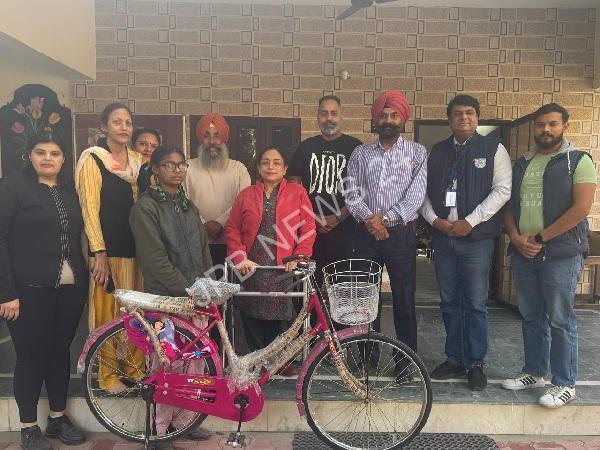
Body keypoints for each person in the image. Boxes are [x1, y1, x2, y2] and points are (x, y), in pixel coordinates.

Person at [502, 103, 596, 408]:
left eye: (553, 124)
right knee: (531, 316)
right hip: (524, 252)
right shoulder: (522, 163)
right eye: (541, 124)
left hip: (560, 253)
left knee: (560, 319)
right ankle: (534, 371)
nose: (546, 130)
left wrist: (541, 238)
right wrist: (516, 238)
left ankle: (564, 382)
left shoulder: (578, 161)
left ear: (564, 126)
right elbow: (509, 207)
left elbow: (580, 209)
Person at [0, 132, 87, 450]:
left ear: (63, 159)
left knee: (59, 351)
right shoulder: (12, 188)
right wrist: (6, 292)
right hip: (27, 289)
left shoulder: (68, 192)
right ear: (30, 156)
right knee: (31, 355)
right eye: (41, 152)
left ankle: (58, 418)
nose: (48, 158)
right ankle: (27, 427)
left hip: (69, 289)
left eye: (55, 153)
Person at [420, 94, 512, 391]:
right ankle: (455, 358)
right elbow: (421, 193)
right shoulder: (437, 152)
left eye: (470, 113)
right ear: (450, 119)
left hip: (476, 240)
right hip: (444, 237)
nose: (464, 118)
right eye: (457, 113)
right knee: (449, 302)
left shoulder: (493, 148)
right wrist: (435, 220)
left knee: (474, 303)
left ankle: (475, 363)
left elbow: (502, 191)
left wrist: (469, 222)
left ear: (477, 118)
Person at [129, 145, 213, 445]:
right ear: (155, 169)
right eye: (169, 165)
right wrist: (189, 290)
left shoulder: (189, 206)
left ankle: (185, 422)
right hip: (166, 299)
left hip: (195, 299)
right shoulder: (146, 208)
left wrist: (206, 286)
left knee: (196, 362)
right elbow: (155, 260)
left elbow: (203, 253)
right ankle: (160, 430)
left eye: (181, 165)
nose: (177, 171)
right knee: (168, 366)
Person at [345, 90, 427, 355]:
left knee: (404, 299)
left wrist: (386, 219)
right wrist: (372, 221)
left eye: (394, 115)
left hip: (401, 234)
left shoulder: (417, 152)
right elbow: (351, 192)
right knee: (367, 300)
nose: (389, 120)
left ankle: (405, 360)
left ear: (402, 120)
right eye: (383, 115)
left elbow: (416, 195)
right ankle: (369, 356)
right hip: (366, 235)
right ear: (375, 120)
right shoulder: (360, 153)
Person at [75, 102, 144, 394]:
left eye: (128, 122)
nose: (123, 127)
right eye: (117, 122)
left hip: (136, 251)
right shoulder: (93, 160)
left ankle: (134, 370)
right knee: (108, 314)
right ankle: (108, 375)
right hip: (108, 251)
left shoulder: (138, 162)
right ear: (104, 127)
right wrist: (98, 253)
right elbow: (89, 209)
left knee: (136, 313)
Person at [225, 146, 316, 354]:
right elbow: (232, 229)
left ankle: (279, 363)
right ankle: (256, 361)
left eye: (276, 162)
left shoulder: (297, 192)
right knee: (251, 310)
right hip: (252, 266)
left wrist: (299, 256)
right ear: (258, 168)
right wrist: (240, 258)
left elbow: (309, 227)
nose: (271, 166)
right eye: (265, 162)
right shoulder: (246, 195)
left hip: (283, 267)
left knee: (282, 314)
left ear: (285, 169)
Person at [288, 95, 362, 287]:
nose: (329, 118)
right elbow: (294, 187)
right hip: (310, 232)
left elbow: (363, 189)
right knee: (310, 288)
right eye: (324, 113)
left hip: (346, 232)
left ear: (341, 116)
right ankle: (311, 319)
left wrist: (338, 217)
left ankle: (335, 319)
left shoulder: (356, 148)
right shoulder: (305, 147)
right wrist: (313, 217)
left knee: (341, 290)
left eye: (333, 113)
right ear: (317, 117)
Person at [184, 113, 251, 276]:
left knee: (228, 294)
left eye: (217, 135)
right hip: (195, 243)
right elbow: (182, 199)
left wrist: (220, 223)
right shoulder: (187, 167)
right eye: (206, 136)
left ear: (225, 139)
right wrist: (203, 223)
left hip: (231, 245)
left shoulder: (239, 169)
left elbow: (243, 202)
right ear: (200, 139)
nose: (212, 141)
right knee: (199, 294)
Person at [133, 126, 162, 194]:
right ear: (133, 146)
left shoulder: (162, 173)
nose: (148, 149)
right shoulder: (125, 171)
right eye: (143, 144)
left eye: (153, 146)